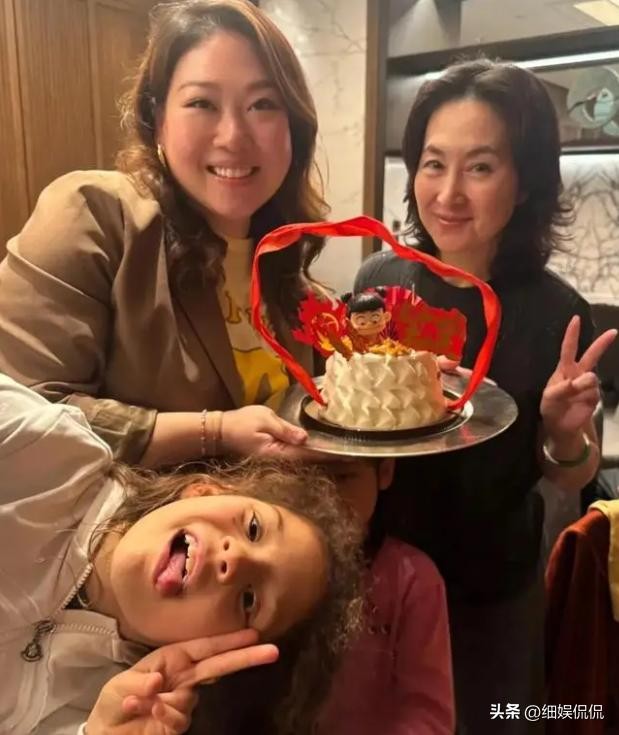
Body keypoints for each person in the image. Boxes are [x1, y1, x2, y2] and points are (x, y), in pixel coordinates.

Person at [354, 58, 617, 734]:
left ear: (524, 181)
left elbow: (570, 471)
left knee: (499, 719)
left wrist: (563, 431)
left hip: (492, 588)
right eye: (432, 163)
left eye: (479, 167)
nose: (448, 193)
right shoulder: (380, 283)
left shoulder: (556, 313)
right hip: (380, 574)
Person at [0, 0, 328, 468]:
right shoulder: (95, 216)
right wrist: (213, 433)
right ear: (157, 119)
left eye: (263, 104)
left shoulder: (290, 278)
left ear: (293, 127)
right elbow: (21, 416)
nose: (233, 135)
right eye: (201, 103)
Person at [0, 373, 363, 735]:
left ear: (220, 653)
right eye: (253, 528)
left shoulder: (119, 706)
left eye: (249, 601)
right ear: (205, 491)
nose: (235, 560)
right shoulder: (44, 450)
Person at [319, 459, 455, 735]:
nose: (325, 497)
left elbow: (429, 714)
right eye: (309, 476)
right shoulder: (272, 572)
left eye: (344, 477)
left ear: (385, 471)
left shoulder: (413, 579)